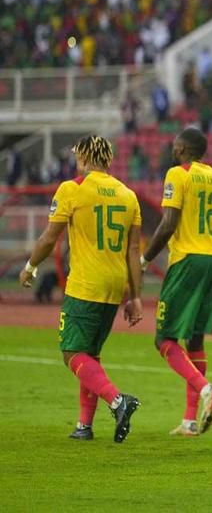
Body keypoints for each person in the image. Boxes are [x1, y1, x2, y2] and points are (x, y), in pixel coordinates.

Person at [19, 135, 143, 442]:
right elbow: (133, 251)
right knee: (91, 354)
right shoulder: (128, 195)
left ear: (84, 158)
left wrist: (30, 267)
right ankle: (84, 426)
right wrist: (136, 297)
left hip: (86, 283)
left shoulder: (72, 189)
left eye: (77, 156)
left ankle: (118, 401)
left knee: (72, 352)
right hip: (116, 285)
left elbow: (49, 238)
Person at [141, 127, 212, 437]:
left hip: (188, 261)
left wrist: (144, 260)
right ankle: (190, 421)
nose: (172, 148)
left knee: (163, 338)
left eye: (174, 145)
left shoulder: (178, 175)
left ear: (182, 148)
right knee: (195, 339)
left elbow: (168, 223)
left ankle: (206, 389)